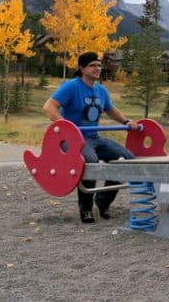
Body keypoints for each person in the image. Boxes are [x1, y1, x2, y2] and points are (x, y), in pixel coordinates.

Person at [43, 51, 138, 223]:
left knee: (126, 159)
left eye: (99, 65)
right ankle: (86, 208)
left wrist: (127, 121)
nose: (97, 68)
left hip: (94, 138)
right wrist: (67, 128)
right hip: (74, 139)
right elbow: (49, 107)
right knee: (90, 161)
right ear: (82, 68)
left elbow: (110, 109)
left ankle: (103, 201)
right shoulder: (72, 86)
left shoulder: (101, 90)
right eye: (93, 65)